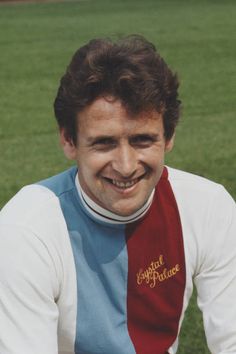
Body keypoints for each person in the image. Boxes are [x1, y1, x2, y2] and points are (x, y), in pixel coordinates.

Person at [0, 35, 235, 354]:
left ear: (169, 137)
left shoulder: (208, 207)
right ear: (69, 140)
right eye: (104, 143)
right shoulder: (25, 232)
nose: (125, 167)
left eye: (142, 140)